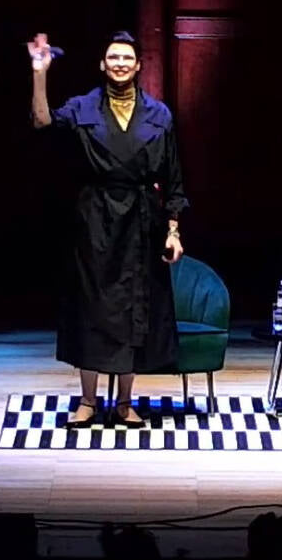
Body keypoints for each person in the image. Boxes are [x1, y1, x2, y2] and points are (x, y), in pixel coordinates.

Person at [30, 30, 188, 428]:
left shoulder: (159, 115)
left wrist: (173, 230)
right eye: (112, 57)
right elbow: (42, 120)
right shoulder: (83, 107)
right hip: (93, 221)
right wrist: (40, 72)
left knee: (133, 307)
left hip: (140, 221)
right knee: (91, 308)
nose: (119, 63)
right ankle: (86, 400)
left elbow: (173, 177)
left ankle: (123, 402)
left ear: (137, 66)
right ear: (103, 64)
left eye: (126, 58)